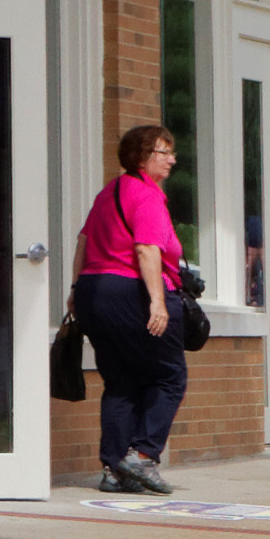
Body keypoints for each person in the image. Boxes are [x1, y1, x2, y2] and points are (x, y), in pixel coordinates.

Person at [72, 122, 189, 495]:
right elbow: (146, 250)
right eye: (164, 152)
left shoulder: (109, 192)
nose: (172, 159)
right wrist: (157, 301)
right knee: (169, 376)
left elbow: (83, 241)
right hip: (129, 292)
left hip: (94, 291)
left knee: (121, 382)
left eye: (171, 152)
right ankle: (142, 455)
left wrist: (76, 289)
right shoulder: (147, 195)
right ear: (142, 157)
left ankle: (114, 468)